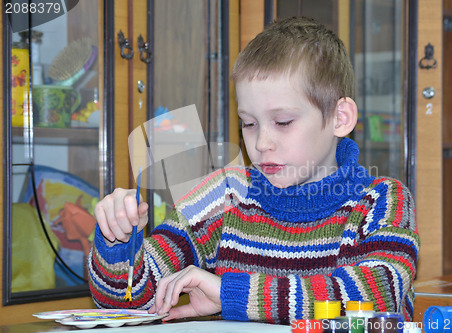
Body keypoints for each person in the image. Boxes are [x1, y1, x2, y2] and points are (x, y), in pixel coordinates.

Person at [88, 16, 419, 324]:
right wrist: (116, 241)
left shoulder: (382, 201)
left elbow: (376, 296)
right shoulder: (226, 195)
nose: (261, 142)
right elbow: (127, 301)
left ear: (339, 117)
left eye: (283, 121)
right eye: (248, 123)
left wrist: (232, 294)